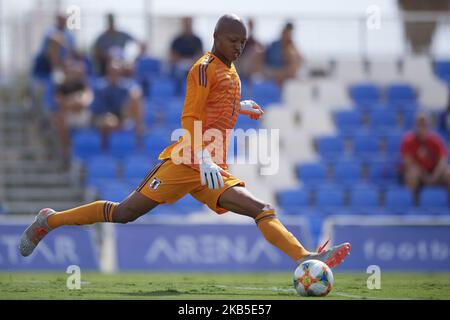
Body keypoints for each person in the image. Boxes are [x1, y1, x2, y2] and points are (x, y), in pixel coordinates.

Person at [19, 14, 350, 270]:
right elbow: (190, 118)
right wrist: (202, 156)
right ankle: (49, 220)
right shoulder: (202, 69)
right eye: (233, 40)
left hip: (211, 169)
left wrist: (240, 106)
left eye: (243, 42)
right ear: (216, 37)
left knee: (261, 209)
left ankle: (306, 257)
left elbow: (216, 106)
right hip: (186, 161)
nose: (238, 47)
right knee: (124, 213)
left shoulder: (231, 71)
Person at [91, 60, 144, 147]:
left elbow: (136, 92)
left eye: (116, 72)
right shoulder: (100, 87)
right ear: (107, 72)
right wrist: (109, 116)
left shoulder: (126, 85)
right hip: (103, 117)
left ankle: (138, 142)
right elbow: (97, 110)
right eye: (111, 71)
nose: (114, 74)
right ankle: (105, 150)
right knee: (108, 122)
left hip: (121, 117)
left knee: (135, 99)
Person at [400, 113, 450, 195]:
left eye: (424, 125)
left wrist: (434, 176)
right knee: (412, 175)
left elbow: (442, 161)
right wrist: (424, 176)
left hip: (434, 173)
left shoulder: (435, 140)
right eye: (419, 125)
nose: (421, 128)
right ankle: (415, 204)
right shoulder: (408, 141)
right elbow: (408, 163)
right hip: (419, 174)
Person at [53, 59, 93, 158]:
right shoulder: (60, 86)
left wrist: (69, 102)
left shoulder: (82, 84)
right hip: (68, 115)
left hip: (82, 115)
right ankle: (67, 149)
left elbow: (86, 101)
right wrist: (75, 99)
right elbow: (60, 102)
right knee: (60, 117)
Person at [32, 13, 76, 82]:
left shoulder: (70, 35)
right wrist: (63, 43)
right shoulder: (50, 30)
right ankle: (56, 72)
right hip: (46, 62)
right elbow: (53, 39)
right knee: (55, 43)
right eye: (61, 19)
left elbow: (72, 50)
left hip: (64, 63)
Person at [169, 17, 204, 94]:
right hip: (179, 66)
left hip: (193, 65)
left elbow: (201, 56)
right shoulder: (177, 40)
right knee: (178, 74)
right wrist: (181, 61)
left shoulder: (197, 40)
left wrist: (193, 61)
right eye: (186, 23)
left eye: (189, 23)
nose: (187, 26)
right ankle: (178, 94)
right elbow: (172, 57)